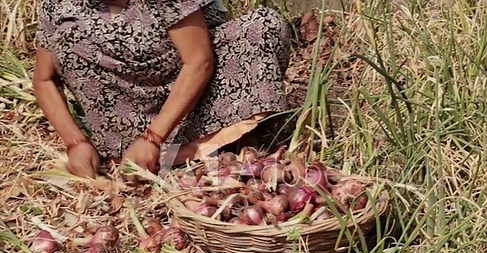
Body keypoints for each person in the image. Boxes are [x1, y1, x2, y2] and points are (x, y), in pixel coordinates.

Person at [32, 0, 292, 180]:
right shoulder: (58, 5)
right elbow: (45, 80)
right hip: (120, 119)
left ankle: (197, 147)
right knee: (69, 35)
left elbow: (199, 61)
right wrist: (75, 143)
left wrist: (153, 138)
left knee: (264, 25)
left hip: (190, 101)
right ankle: (127, 153)